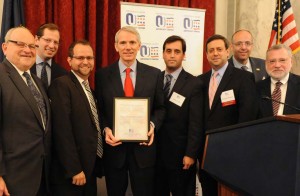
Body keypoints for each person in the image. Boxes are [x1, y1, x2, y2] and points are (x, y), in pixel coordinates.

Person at [95, 26, 165, 196]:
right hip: (114, 151)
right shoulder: (102, 75)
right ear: (115, 46)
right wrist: (105, 130)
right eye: (123, 42)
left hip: (144, 151)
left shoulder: (154, 74)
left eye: (132, 42)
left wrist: (152, 125)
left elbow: (160, 107)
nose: (128, 47)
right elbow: (100, 110)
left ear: (139, 45)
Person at [198, 34, 258, 196]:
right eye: (211, 50)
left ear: (227, 51)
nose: (215, 53)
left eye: (219, 49)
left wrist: (239, 148)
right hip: (205, 151)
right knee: (208, 190)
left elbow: (247, 116)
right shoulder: (200, 81)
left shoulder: (243, 78)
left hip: (231, 150)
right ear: (207, 55)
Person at [0, 26, 51, 195]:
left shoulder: (36, 81)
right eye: (20, 44)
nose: (27, 50)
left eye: (32, 46)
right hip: (12, 177)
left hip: (41, 174)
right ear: (5, 47)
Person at [48, 40, 103, 195]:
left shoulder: (89, 90)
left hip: (89, 168)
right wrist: (74, 169)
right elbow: (62, 130)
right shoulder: (61, 85)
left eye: (89, 58)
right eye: (80, 58)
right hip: (72, 174)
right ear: (69, 60)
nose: (85, 62)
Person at [155, 35, 203, 196]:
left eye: (177, 51)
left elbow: (196, 123)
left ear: (184, 55)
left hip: (181, 157)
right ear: (163, 54)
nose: (172, 55)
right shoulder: (153, 79)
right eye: (168, 51)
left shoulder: (194, 83)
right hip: (154, 156)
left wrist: (190, 154)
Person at [257, 44, 300, 117]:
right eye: (272, 61)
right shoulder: (256, 88)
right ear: (266, 64)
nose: (277, 65)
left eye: (282, 60)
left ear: (291, 62)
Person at [30, 23, 67, 88]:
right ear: (36, 40)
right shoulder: (24, 67)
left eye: (55, 42)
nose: (52, 46)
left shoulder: (63, 74)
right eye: (47, 40)